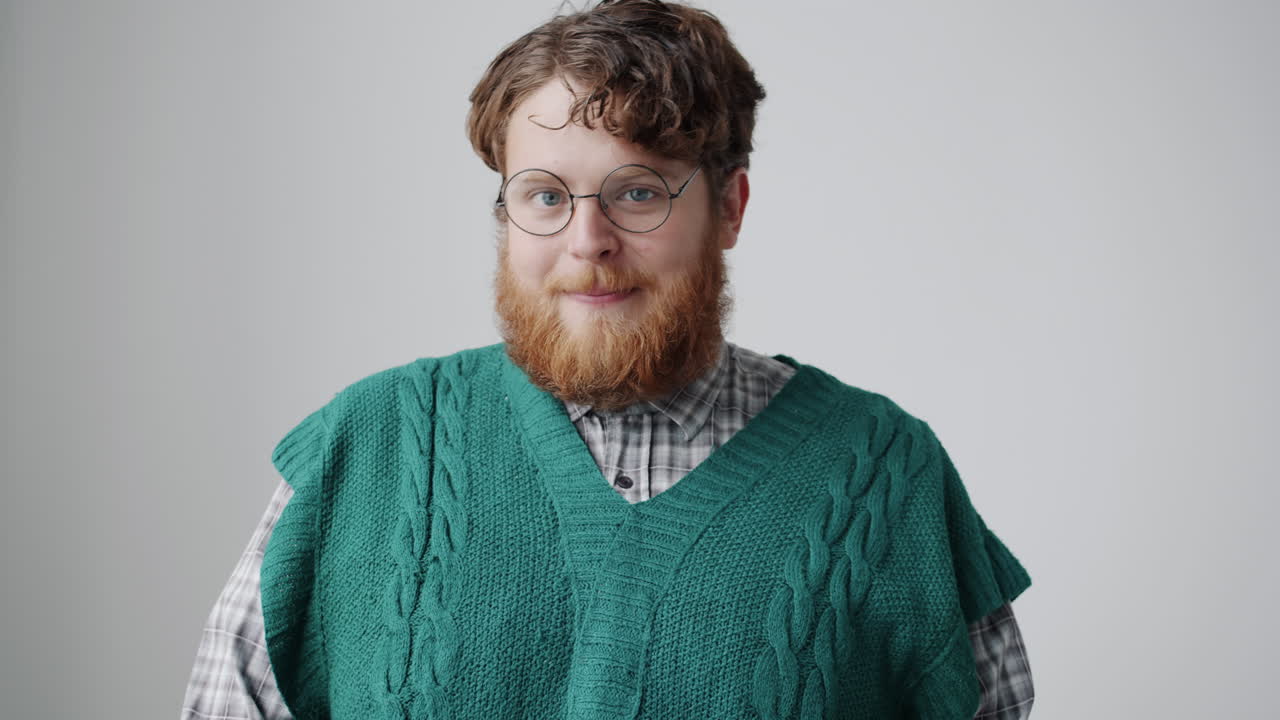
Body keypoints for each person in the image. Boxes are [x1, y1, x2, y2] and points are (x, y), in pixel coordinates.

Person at [181, 1, 1034, 718]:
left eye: (637, 192)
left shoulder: (885, 476)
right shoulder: (361, 451)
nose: (588, 242)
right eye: (546, 196)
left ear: (729, 207)